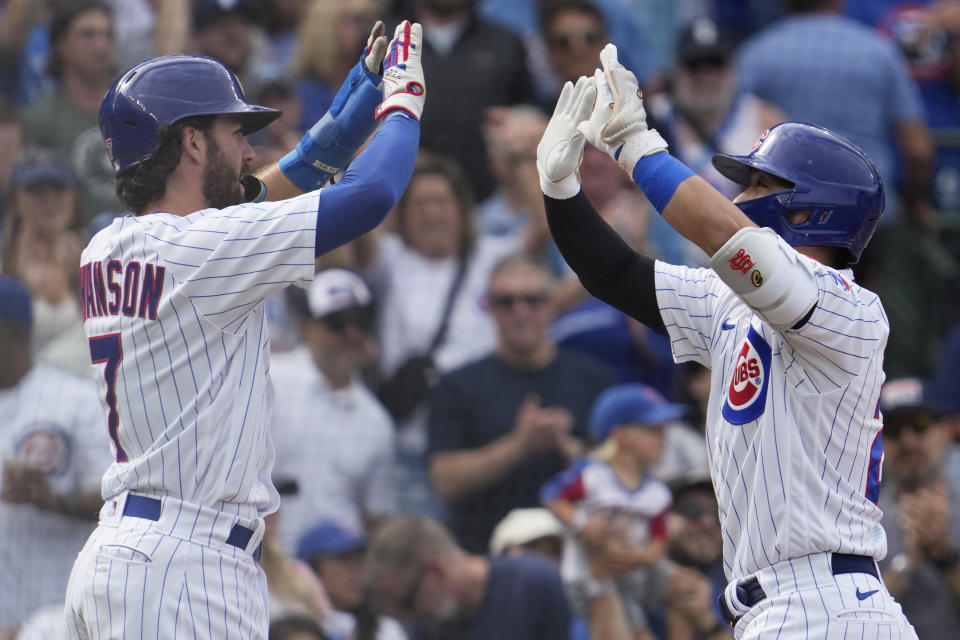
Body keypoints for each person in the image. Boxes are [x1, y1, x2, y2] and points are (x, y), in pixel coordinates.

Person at [535, 44, 917, 636]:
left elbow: (728, 236)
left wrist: (638, 148)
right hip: (784, 608)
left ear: (813, 211)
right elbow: (614, 275)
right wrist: (560, 190)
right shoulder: (727, 301)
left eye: (759, 184)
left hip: (826, 602)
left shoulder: (852, 310)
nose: (737, 197)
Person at [63, 17, 427, 640]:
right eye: (235, 132)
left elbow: (283, 184)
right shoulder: (201, 248)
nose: (250, 149)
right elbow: (370, 197)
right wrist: (402, 105)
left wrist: (362, 94)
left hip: (132, 556)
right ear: (193, 143)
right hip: (184, 568)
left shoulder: (110, 244)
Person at [427, 253, 610, 553]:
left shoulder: (594, 380)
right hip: (487, 555)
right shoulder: (456, 385)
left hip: (581, 554)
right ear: (488, 306)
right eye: (506, 302)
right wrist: (519, 445)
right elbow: (445, 480)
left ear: (551, 305)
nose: (520, 311)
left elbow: (625, 472)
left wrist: (569, 450)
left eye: (532, 300)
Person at [0, 275, 108, 633]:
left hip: (58, 612)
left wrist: (53, 499)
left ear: (14, 334)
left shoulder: (73, 399)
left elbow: (116, 500)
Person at [271, 268, 396, 551]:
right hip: (266, 561)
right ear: (306, 327)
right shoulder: (269, 380)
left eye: (361, 321)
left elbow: (374, 518)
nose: (351, 333)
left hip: (338, 570)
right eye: (336, 322)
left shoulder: (376, 421)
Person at [540, 382, 677, 640]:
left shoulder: (658, 492)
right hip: (589, 577)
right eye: (652, 430)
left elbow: (659, 541)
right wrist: (584, 524)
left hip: (634, 572)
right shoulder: (593, 474)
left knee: (687, 588)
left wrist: (640, 557)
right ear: (620, 435)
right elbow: (552, 496)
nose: (663, 438)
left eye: (663, 430)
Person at [365, 514, 571, 640]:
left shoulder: (534, 585)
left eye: (407, 601)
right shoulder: (427, 629)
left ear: (438, 571)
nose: (407, 617)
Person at [21, 0, 121, 223]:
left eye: (108, 35)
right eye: (88, 35)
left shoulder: (134, 110)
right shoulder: (41, 119)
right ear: (60, 45)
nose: (101, 46)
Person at [875, 378, 960, 640]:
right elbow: (858, 618)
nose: (908, 440)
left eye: (920, 425)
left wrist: (942, 552)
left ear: (943, 431)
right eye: (895, 430)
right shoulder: (866, 516)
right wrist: (907, 564)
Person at [296, 520, 407, 640]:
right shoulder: (294, 631)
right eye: (343, 559)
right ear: (311, 568)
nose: (356, 570)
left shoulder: (386, 630)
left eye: (360, 559)